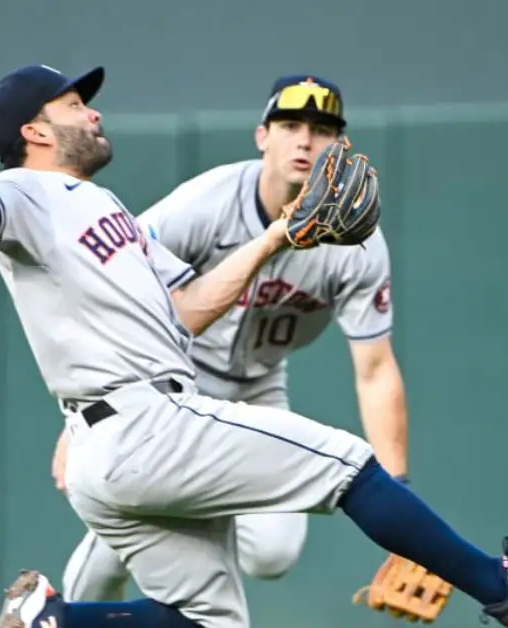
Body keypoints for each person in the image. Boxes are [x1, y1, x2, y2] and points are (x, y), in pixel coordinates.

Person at [0, 63, 508, 628]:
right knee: (349, 464)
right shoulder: (23, 193)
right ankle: (506, 591)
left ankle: (52, 621)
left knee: (208, 620)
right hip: (146, 422)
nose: (94, 110)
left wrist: (277, 237)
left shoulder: (109, 210)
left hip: (121, 441)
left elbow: (189, 308)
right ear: (36, 131)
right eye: (74, 105)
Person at [55, 75, 411, 603]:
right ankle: (55, 617)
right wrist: (89, 411)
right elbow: (114, 289)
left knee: (273, 552)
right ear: (261, 136)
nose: (305, 141)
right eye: (290, 126)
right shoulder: (207, 203)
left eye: (322, 130)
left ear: (341, 147)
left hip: (260, 385)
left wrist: (401, 501)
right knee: (116, 546)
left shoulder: (356, 242)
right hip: (169, 382)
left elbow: (376, 369)